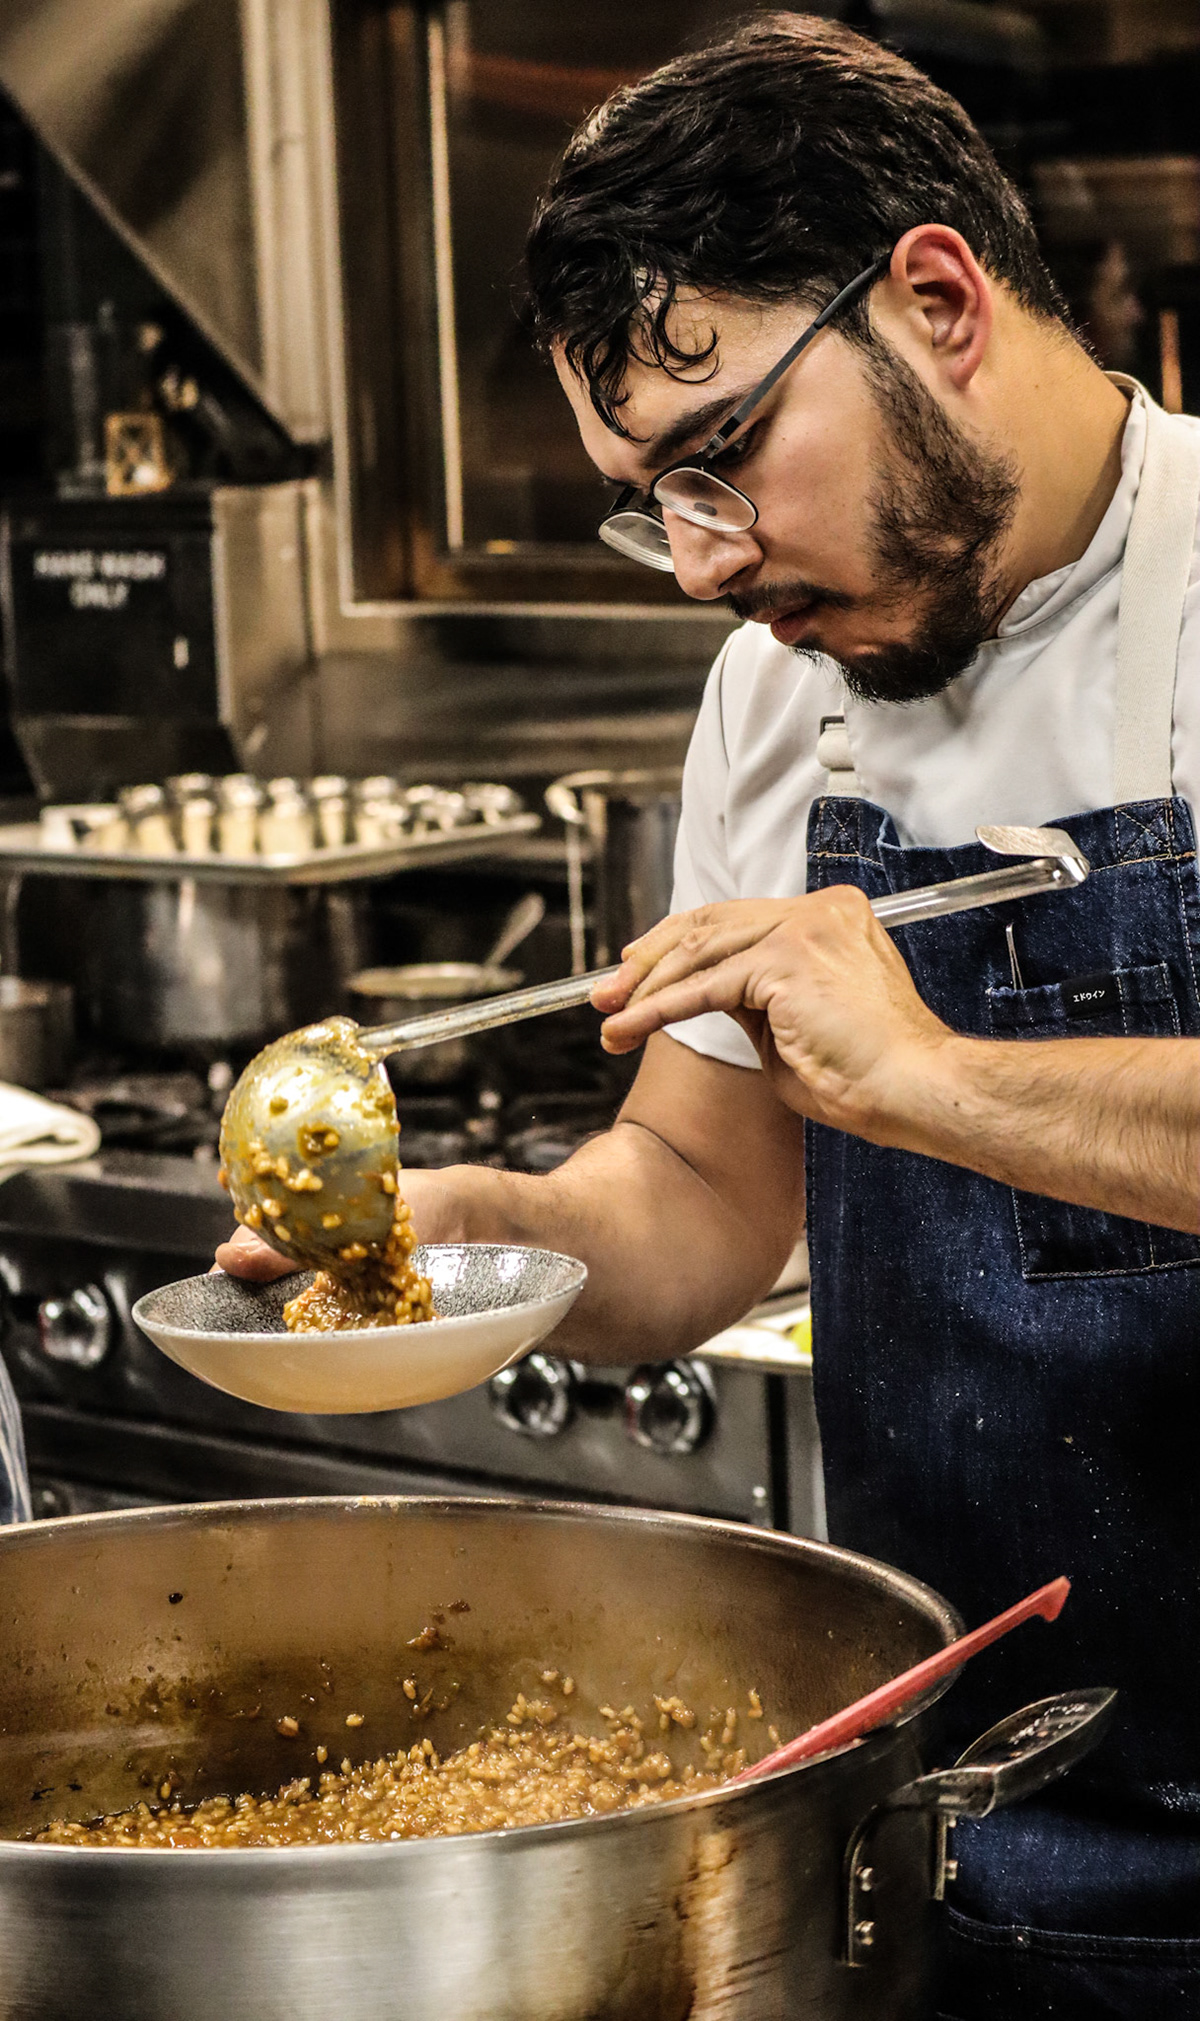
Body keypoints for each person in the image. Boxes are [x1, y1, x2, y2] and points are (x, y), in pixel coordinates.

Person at [221, 15, 1200, 2016]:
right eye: (647, 499)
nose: (698, 562)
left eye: (722, 454)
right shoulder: (778, 689)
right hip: (942, 1816)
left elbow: (916, 1094)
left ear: (937, 301)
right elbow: (697, 1190)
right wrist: (488, 1246)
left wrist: (929, 1077)